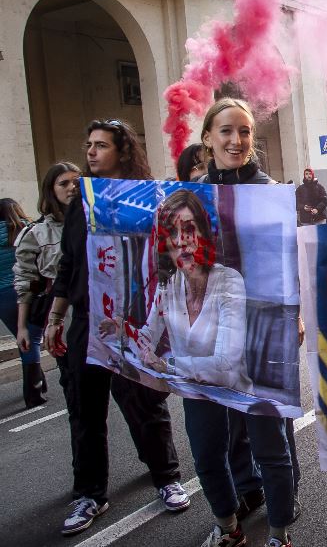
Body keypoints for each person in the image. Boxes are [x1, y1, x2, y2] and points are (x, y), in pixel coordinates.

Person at [43, 120, 189, 536]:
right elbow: (69, 264)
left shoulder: (147, 200)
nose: (90, 152)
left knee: (145, 403)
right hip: (88, 323)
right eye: (88, 144)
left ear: (122, 152)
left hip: (134, 320)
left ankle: (166, 477)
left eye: (101, 145)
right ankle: (89, 493)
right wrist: (56, 317)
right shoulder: (80, 203)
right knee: (85, 412)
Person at [191, 97, 296, 547]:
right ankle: (229, 527)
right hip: (200, 338)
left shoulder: (270, 192)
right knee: (206, 445)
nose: (237, 140)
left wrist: (296, 317)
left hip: (260, 333)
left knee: (270, 445)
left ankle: (278, 533)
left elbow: (289, 262)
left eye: (245, 132)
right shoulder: (189, 196)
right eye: (227, 131)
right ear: (208, 138)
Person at [175, 144, 267, 522]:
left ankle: (256, 488)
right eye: (195, 172)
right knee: (212, 437)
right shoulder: (174, 281)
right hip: (204, 351)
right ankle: (235, 504)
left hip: (245, 313)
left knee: (246, 422)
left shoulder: (254, 192)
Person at [99, 189, 251, 390]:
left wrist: (168, 365)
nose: (180, 241)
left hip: (235, 403)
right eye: (171, 232)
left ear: (204, 233)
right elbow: (148, 340)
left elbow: (225, 366)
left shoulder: (229, 281)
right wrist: (125, 331)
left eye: (188, 228)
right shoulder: (168, 286)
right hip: (194, 396)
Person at [12, 163, 81, 407]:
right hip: (65, 317)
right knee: (77, 392)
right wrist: (23, 328)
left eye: (76, 181)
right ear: (51, 190)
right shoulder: (36, 234)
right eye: (63, 183)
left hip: (105, 315)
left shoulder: (99, 222)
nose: (72, 187)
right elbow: (25, 283)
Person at [1, 198, 43, 407]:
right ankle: (33, 392)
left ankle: (39, 383)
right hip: (24, 290)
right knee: (32, 337)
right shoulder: (26, 231)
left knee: (23, 338)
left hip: (2, 296)